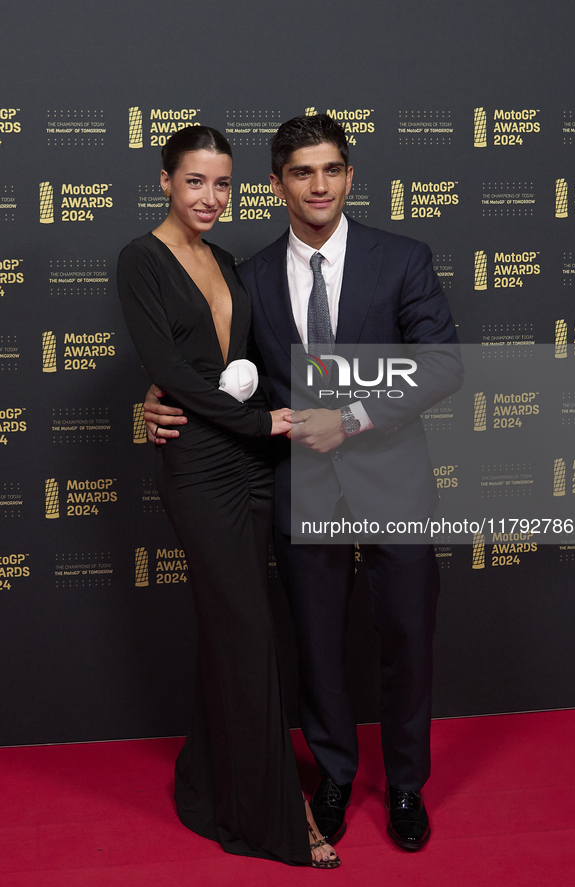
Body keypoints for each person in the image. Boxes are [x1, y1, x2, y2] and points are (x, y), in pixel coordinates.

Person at [144, 115, 462, 852]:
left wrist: (349, 415)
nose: (319, 185)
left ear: (349, 175)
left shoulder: (402, 259)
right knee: (316, 645)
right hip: (298, 488)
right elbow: (223, 378)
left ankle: (407, 782)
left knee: (408, 639)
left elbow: (441, 365)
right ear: (275, 183)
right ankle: (335, 774)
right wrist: (160, 397)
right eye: (301, 172)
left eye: (332, 169)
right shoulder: (246, 276)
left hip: (397, 485)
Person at [117, 125, 340, 868]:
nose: (209, 198)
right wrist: (253, 419)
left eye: (222, 184)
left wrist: (265, 418)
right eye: (194, 182)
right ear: (164, 183)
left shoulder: (224, 261)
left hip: (247, 466)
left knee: (232, 634)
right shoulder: (140, 261)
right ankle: (280, 814)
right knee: (249, 637)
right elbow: (172, 371)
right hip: (199, 468)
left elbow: (243, 362)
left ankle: (209, 783)